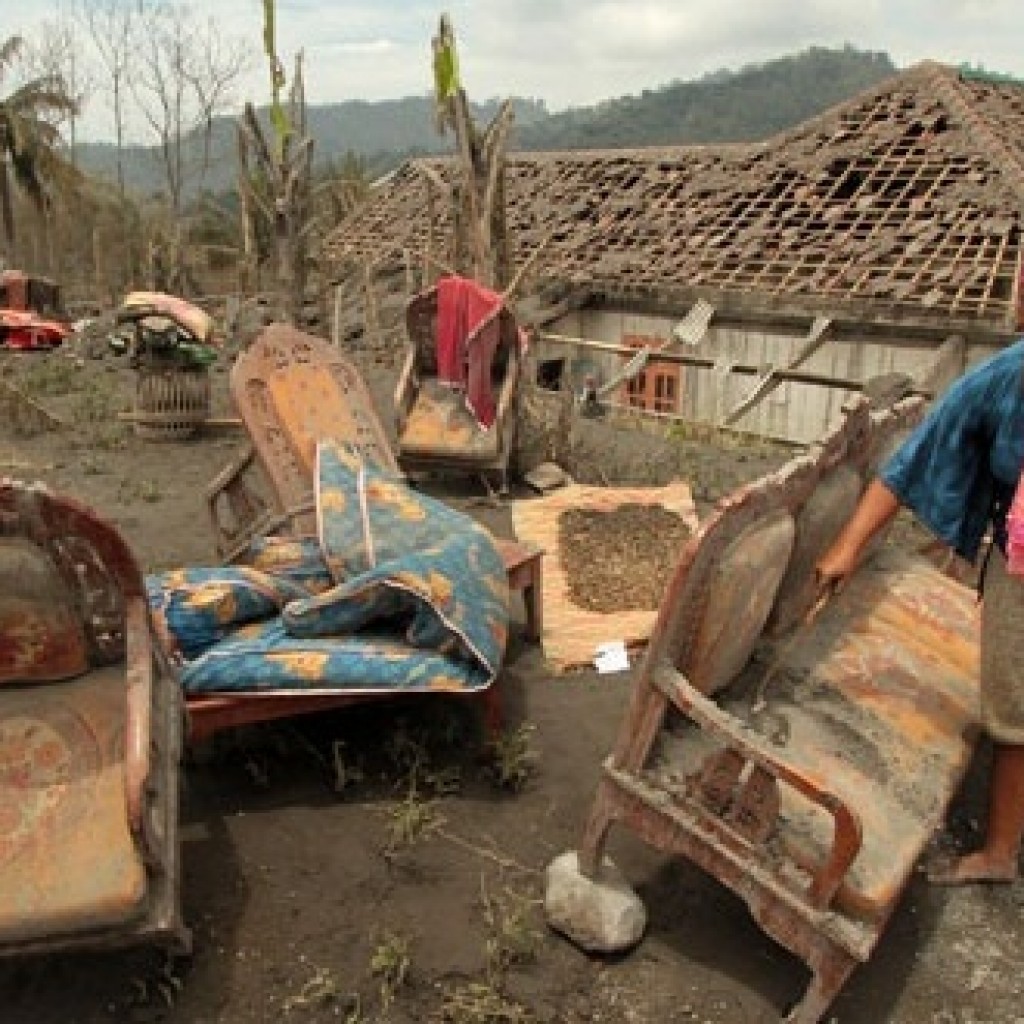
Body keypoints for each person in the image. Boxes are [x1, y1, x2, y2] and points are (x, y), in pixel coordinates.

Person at [816, 338, 1024, 884]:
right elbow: (917, 458)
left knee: (1013, 710)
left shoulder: (1009, 376)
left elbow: (918, 456)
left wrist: (848, 545)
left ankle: (1000, 854)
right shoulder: (1004, 376)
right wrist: (849, 546)